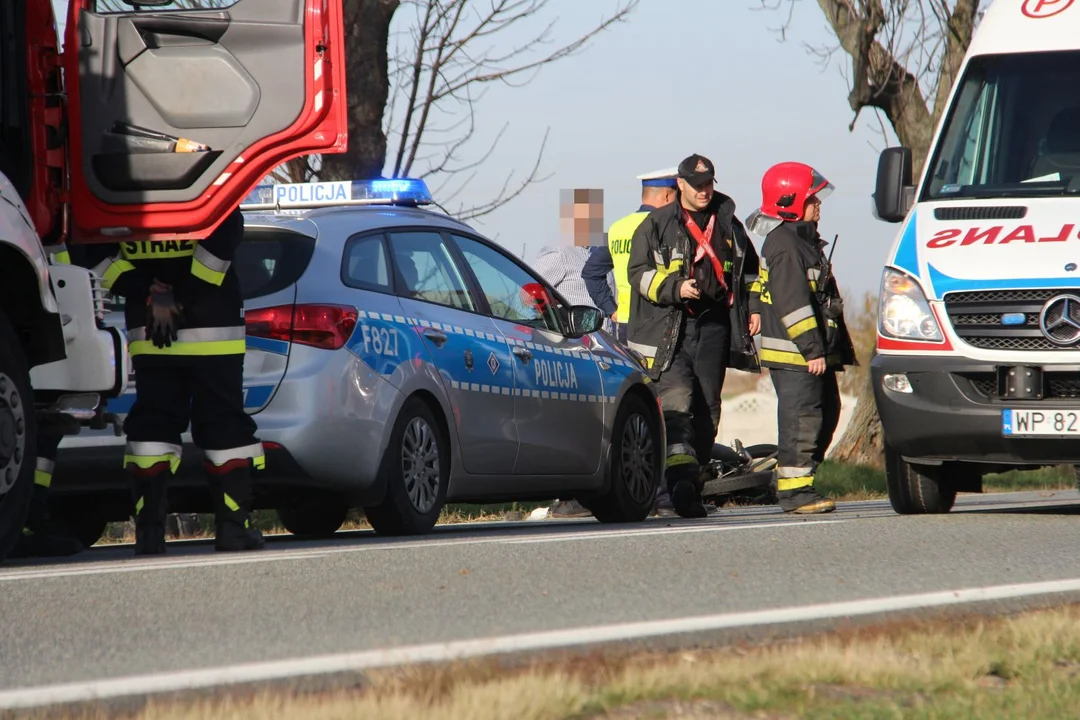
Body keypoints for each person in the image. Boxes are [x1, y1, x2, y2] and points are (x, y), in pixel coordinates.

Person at [86, 209, 265, 554]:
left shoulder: (114, 190)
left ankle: (149, 534)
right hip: (212, 325)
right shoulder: (202, 177)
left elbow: (95, 255)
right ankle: (232, 530)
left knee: (152, 424)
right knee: (224, 424)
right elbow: (222, 240)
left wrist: (148, 293)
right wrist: (179, 294)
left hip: (151, 326)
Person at [626, 153, 762, 519]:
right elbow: (637, 274)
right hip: (671, 329)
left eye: (709, 184)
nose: (704, 191)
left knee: (708, 410)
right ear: (680, 186)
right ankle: (679, 485)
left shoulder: (728, 222)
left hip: (715, 326)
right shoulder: (656, 224)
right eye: (697, 185)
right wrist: (674, 288)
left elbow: (750, 272)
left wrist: (753, 309)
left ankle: (694, 482)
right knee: (677, 404)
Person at [745, 161, 856, 514]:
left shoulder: (801, 242)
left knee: (827, 412)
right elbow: (793, 303)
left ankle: (798, 479)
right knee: (802, 419)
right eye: (813, 199)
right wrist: (812, 348)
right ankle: (794, 493)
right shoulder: (786, 245)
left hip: (810, 352)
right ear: (790, 201)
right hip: (797, 355)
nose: (819, 205)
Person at [8, 241, 85, 559]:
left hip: (41, 321)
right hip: (42, 323)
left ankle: (31, 520)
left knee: (43, 432)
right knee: (36, 432)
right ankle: (27, 522)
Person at [582, 168, 679, 344]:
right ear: (666, 195)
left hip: (626, 323)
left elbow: (591, 272)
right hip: (662, 321)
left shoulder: (618, 228)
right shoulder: (667, 227)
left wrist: (611, 309)